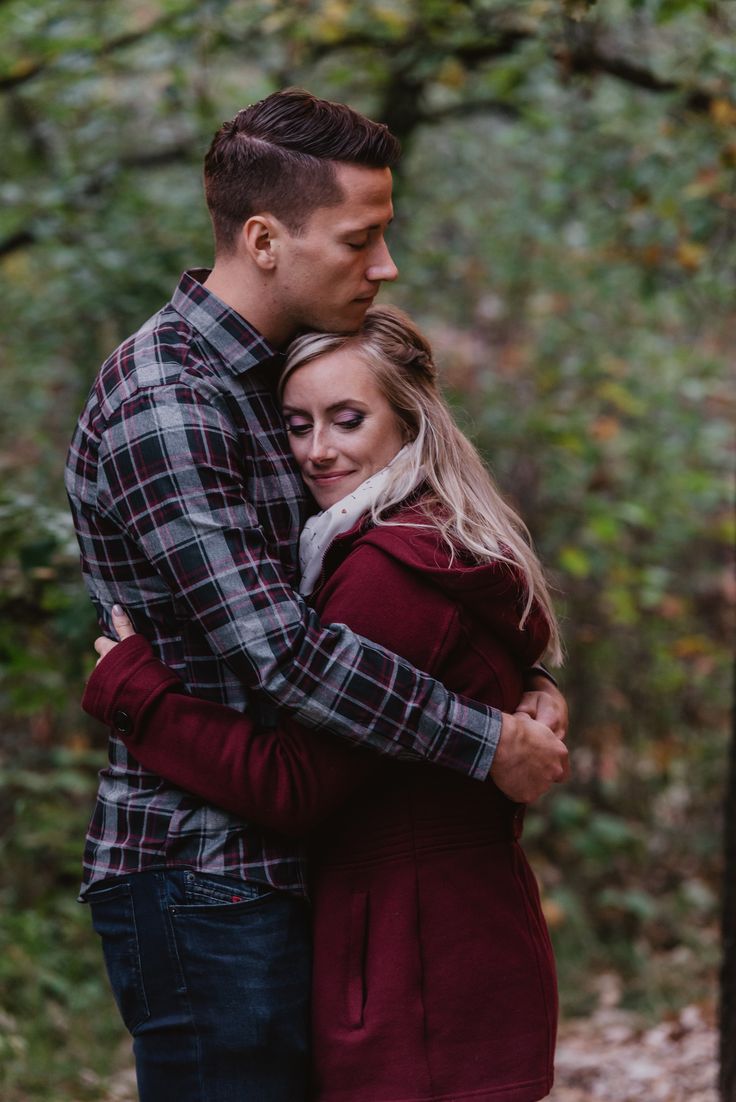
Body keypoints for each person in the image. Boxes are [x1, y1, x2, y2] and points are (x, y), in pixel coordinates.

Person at [66, 89, 568, 1100]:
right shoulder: (171, 398)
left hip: (284, 862)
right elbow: (286, 654)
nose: (383, 267)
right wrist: (486, 740)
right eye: (361, 239)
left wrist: (531, 682)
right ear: (263, 238)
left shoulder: (277, 384)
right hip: (200, 870)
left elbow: (409, 583)